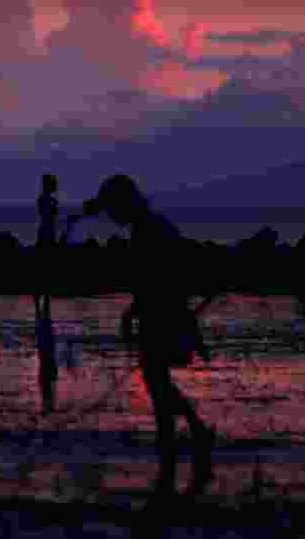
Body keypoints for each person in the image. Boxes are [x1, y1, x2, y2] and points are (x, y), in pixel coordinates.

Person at [81, 175, 217, 499]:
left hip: (164, 312)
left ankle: (176, 444)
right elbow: (152, 278)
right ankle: (190, 435)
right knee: (157, 380)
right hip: (163, 310)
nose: (111, 219)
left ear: (124, 204)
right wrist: (134, 312)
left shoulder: (148, 230)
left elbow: (155, 278)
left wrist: (136, 313)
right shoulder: (151, 226)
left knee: (156, 380)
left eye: (112, 210)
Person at [33, 174, 60, 412]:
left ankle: (42, 302)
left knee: (45, 269)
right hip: (47, 234)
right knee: (45, 269)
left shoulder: (44, 200)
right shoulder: (46, 201)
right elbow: (51, 217)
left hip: (47, 233)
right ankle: (42, 301)